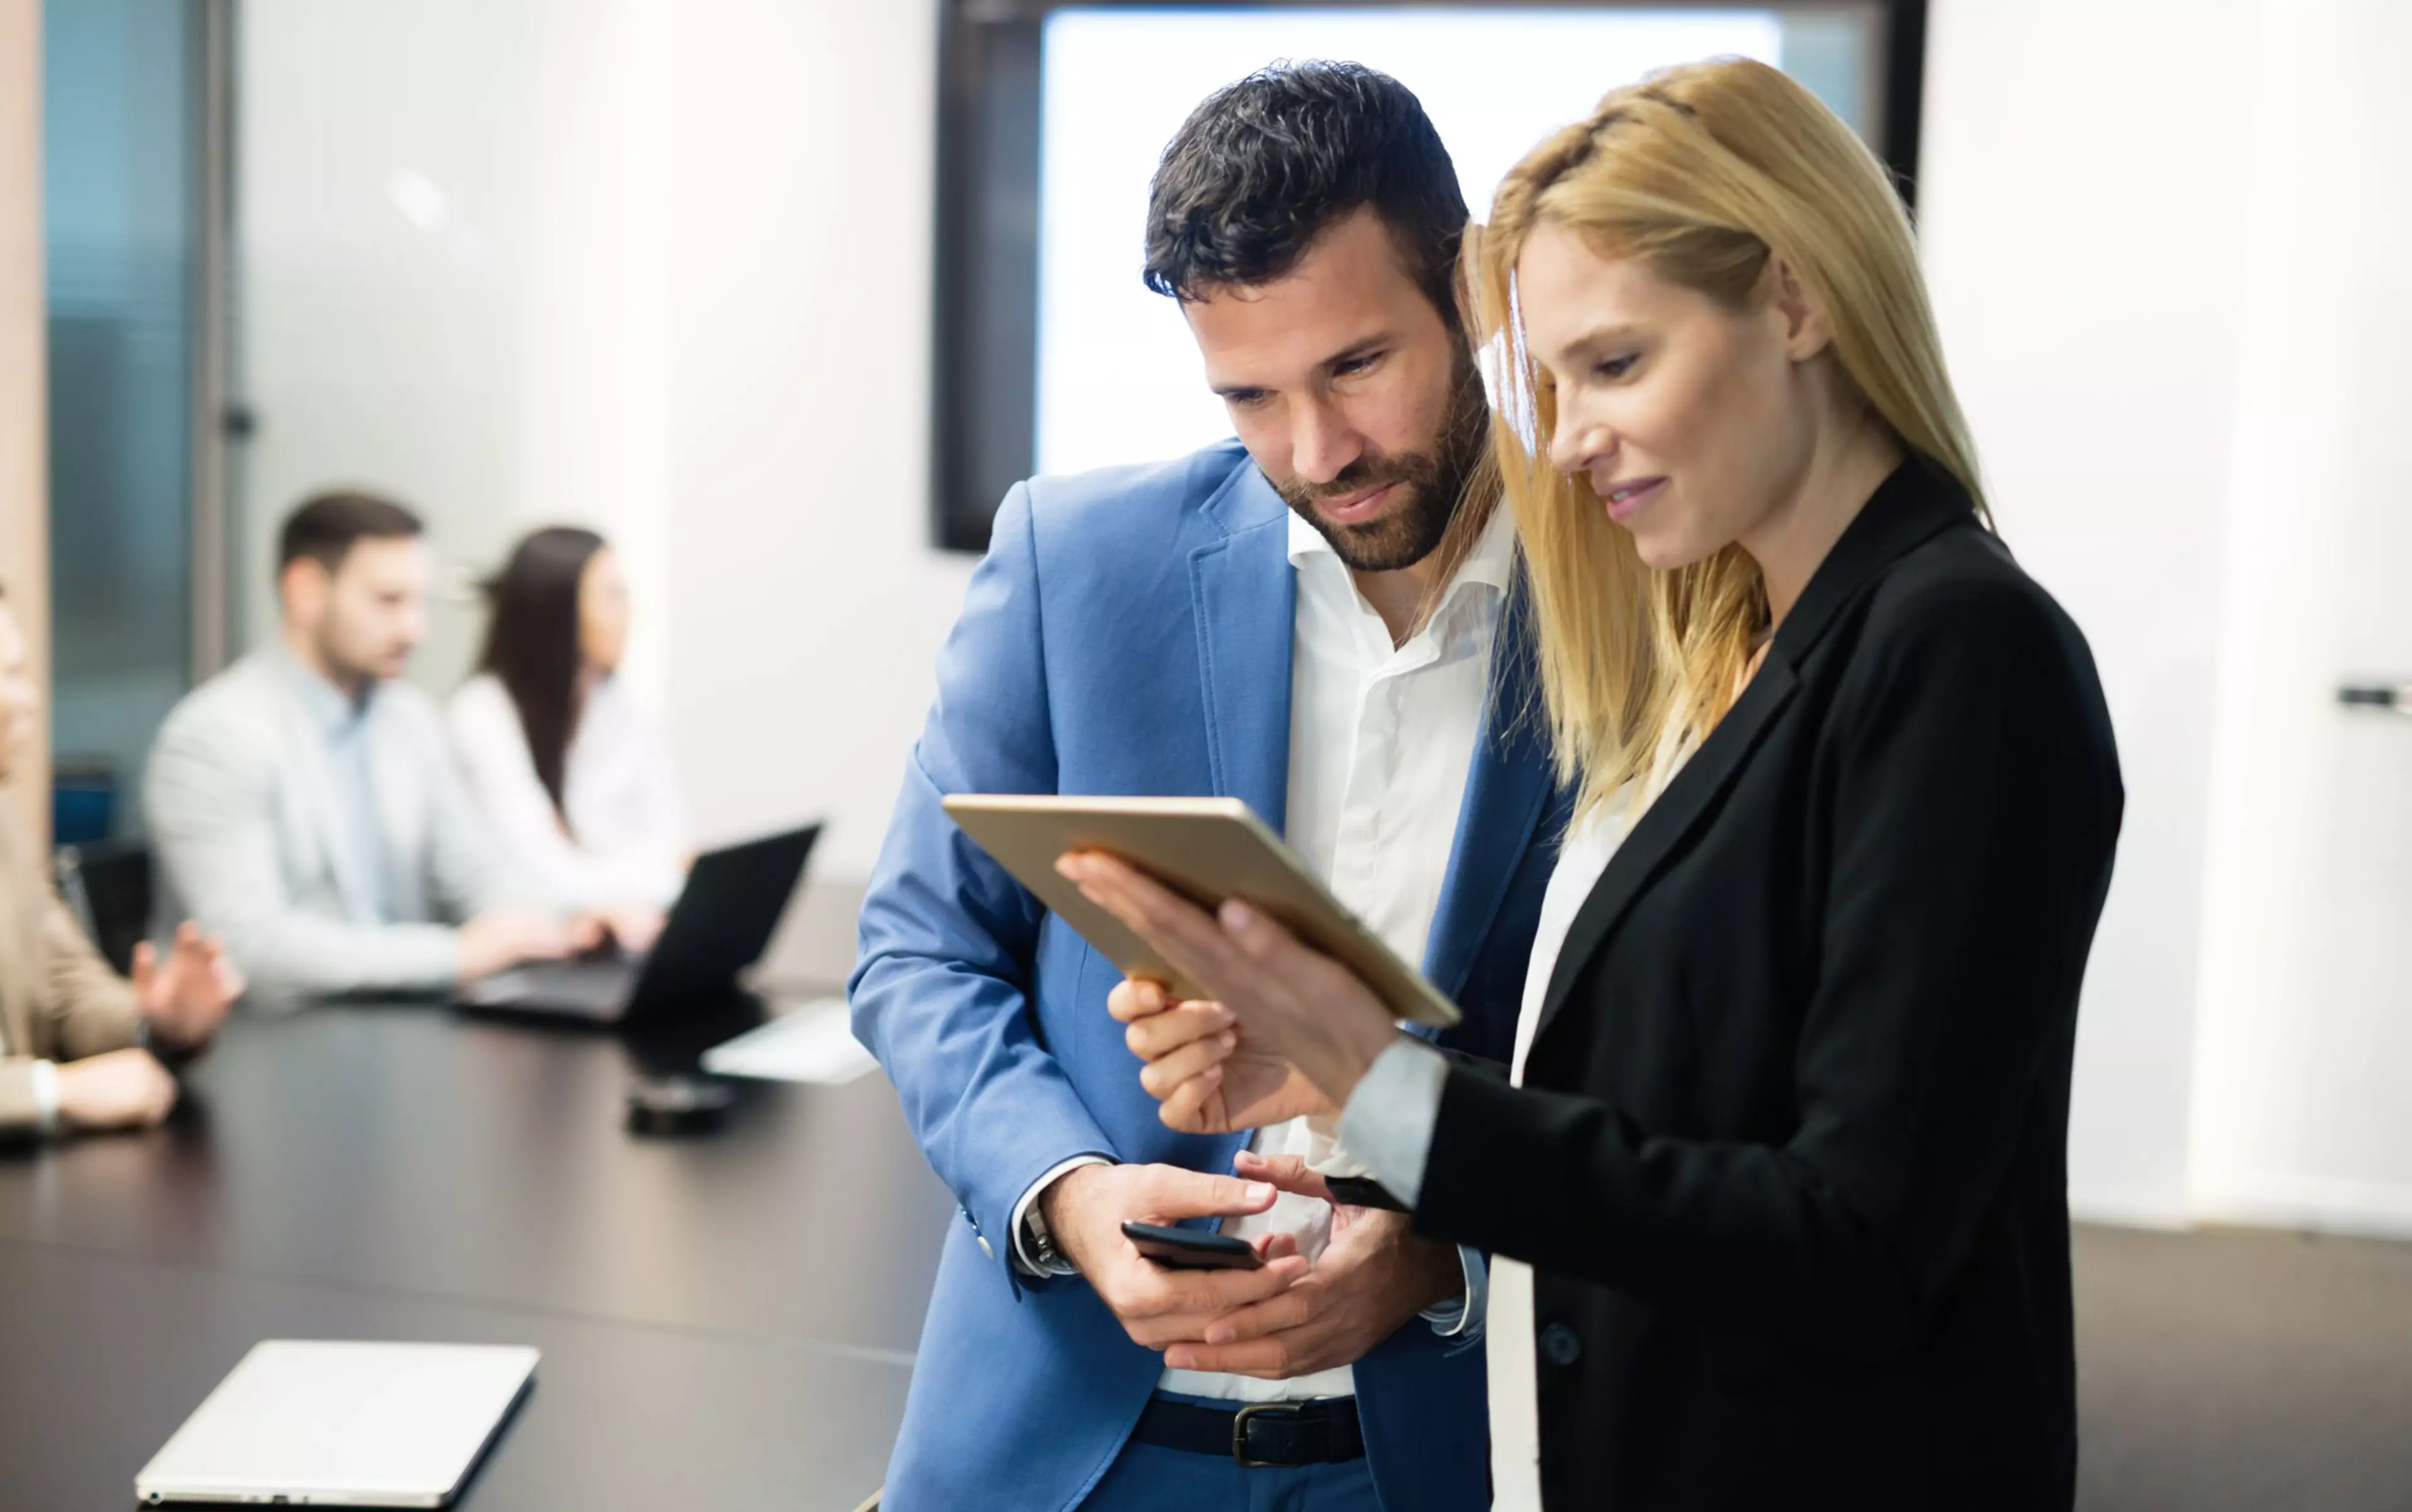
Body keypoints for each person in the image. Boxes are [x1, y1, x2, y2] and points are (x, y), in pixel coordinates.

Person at [1078, 57, 2124, 1512]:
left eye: (1616, 364)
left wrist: (1393, 1098)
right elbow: (1689, 1111)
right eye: (1551, 380)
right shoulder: (1746, 638)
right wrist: (1340, 1075)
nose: (1565, 437)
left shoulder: (1956, 643)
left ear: (1795, 299)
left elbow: (1849, 1243)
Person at [849, 62, 1570, 1512]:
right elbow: (915, 951)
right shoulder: (1075, 561)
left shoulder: (1632, 612)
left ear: (1472, 293)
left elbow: (1653, 1075)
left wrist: (1445, 1245)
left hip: (1423, 1451)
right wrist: (1065, 1195)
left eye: (1357, 366)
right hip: (1064, 1445)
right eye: (1249, 395)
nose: (1316, 454)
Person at [146, 492, 594, 1003]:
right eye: (388, 601)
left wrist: (552, 924)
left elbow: (475, 876)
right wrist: (457, 954)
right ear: (305, 591)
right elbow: (250, 946)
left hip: (395, 1023)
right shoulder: (214, 736)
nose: (414, 629)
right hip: (268, 1035)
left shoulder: (409, 718)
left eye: (418, 602)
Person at [0, 578, 243, 1137]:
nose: (30, 697)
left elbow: (67, 989)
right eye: (10, 674)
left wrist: (156, 1022)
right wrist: (52, 1091)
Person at [447, 526, 685, 951]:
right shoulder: (480, 716)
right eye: (611, 596)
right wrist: (638, 872)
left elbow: (670, 842)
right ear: (556, 610)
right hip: (541, 950)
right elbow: (541, 877)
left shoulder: (619, 704)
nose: (629, 611)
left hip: (622, 936)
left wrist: (607, 874)